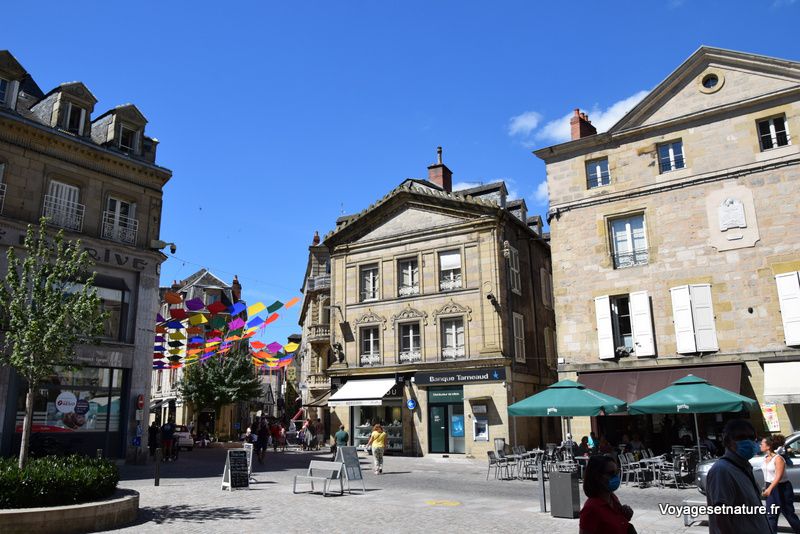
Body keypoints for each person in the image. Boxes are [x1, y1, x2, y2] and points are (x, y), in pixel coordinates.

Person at [705, 419, 771, 534]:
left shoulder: (744, 467)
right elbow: (721, 517)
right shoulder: (722, 470)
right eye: (741, 437)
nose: (749, 442)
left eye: (751, 438)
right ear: (729, 441)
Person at [579, 455, 634, 534]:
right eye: (611, 473)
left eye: (617, 472)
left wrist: (625, 516)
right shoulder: (591, 509)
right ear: (597, 476)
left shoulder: (612, 497)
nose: (615, 476)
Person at [762, 434, 800, 533]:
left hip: (782, 488)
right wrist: (766, 487)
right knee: (771, 515)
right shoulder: (765, 458)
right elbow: (768, 475)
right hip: (770, 487)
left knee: (788, 514)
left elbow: (778, 477)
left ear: (768, 446)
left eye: (762, 443)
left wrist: (769, 489)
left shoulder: (778, 459)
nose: (760, 445)